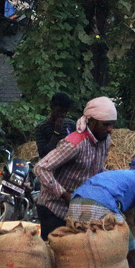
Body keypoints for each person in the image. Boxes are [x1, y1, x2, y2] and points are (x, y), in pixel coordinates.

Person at [34, 96, 116, 240]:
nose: (110, 129)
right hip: (54, 208)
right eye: (106, 124)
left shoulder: (105, 141)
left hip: (76, 210)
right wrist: (64, 195)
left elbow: (96, 168)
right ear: (92, 122)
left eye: (112, 124)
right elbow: (40, 168)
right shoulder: (74, 144)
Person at [35, 92, 75, 159]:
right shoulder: (42, 127)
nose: (63, 115)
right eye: (59, 111)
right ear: (52, 108)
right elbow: (43, 155)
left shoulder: (71, 125)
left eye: (65, 112)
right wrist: (56, 133)